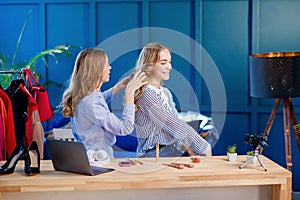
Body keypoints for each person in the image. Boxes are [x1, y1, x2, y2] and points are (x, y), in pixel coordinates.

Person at [61, 48, 148, 160]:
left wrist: (118, 87)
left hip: (92, 157)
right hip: (98, 160)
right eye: (106, 65)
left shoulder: (87, 96)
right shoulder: (91, 103)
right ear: (96, 70)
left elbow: (99, 100)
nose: (110, 67)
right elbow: (125, 128)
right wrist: (129, 93)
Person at [134, 43, 212, 158]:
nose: (169, 67)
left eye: (169, 62)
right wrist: (204, 146)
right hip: (152, 156)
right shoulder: (147, 95)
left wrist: (186, 147)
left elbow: (174, 126)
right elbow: (173, 125)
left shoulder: (165, 92)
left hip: (170, 152)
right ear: (149, 66)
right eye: (163, 63)